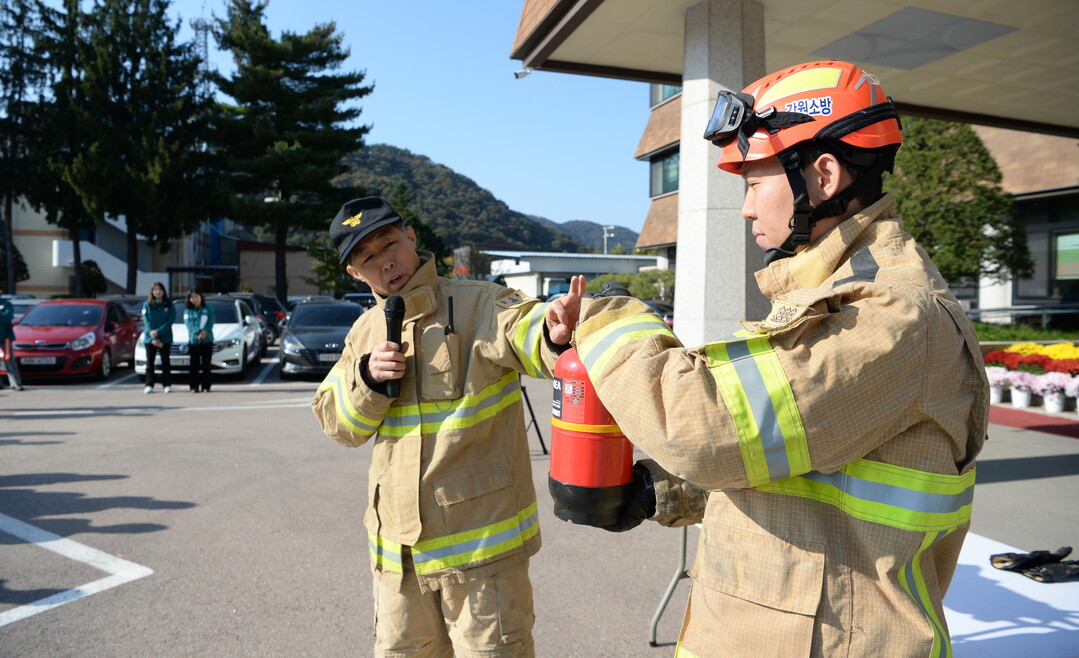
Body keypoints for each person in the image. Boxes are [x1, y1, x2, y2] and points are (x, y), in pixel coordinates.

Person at [564, 61, 988, 657]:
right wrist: (667, 494)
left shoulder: (889, 315)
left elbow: (704, 426)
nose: (743, 209)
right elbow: (807, 459)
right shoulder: (826, 290)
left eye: (753, 183)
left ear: (823, 175)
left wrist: (609, 318)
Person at [311, 196, 581, 657]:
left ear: (411, 236)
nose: (386, 262)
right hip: (399, 561)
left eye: (390, 243)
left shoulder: (480, 303)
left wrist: (553, 332)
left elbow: (527, 329)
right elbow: (338, 423)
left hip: (482, 559)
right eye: (368, 258)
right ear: (355, 274)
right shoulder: (363, 333)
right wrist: (368, 379)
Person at [142, 282, 174, 394]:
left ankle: (167, 384)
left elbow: (170, 320)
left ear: (164, 291)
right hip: (150, 338)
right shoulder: (147, 305)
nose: (158, 291)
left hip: (165, 337)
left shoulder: (169, 305)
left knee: (166, 362)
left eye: (160, 289)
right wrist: (153, 334)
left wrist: (158, 332)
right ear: (152, 292)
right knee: (150, 362)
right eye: (155, 289)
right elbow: (146, 321)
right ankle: (149, 384)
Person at [184, 290, 215, 393]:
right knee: (194, 365)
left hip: (207, 340)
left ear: (201, 297)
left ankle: (206, 386)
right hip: (194, 341)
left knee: (206, 364)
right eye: (192, 297)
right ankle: (194, 386)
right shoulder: (187, 311)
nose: (194, 299)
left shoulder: (208, 308)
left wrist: (205, 332)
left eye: (196, 296)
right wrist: (198, 333)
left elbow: (211, 321)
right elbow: (188, 324)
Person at [0, 286, 24, 391]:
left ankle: (15, 383)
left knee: (9, 360)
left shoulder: (6, 305)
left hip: (4, 336)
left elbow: (7, 319)